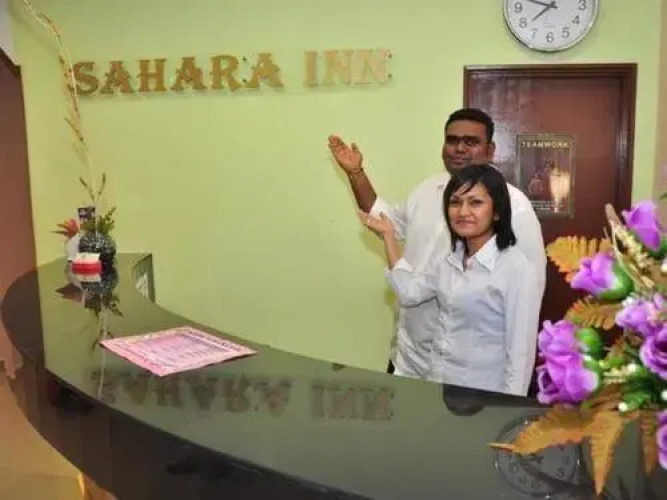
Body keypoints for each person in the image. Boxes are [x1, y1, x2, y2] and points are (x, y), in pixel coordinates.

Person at [328, 108, 546, 378]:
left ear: (490, 151)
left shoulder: (515, 206)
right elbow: (385, 222)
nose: (459, 148)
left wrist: (511, 390)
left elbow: (528, 297)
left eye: (471, 142)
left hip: (472, 372)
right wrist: (356, 173)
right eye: (452, 140)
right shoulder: (428, 190)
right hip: (410, 358)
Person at [359, 164, 542, 396]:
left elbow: (520, 356)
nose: (463, 212)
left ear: (497, 212)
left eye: (475, 203)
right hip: (438, 389)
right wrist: (389, 237)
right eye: (455, 202)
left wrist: (508, 410)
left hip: (482, 399)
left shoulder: (515, 268)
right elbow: (409, 293)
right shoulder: (450, 261)